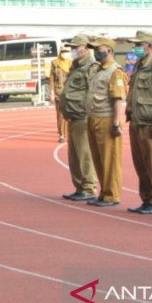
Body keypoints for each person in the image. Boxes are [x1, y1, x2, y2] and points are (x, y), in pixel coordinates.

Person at [125, 31, 152, 215]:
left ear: (148, 46)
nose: (135, 48)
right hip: (136, 121)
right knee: (141, 164)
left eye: (139, 44)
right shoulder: (139, 65)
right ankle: (146, 199)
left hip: (150, 122)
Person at [84, 36, 127, 207]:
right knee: (98, 158)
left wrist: (116, 123)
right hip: (94, 116)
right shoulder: (98, 70)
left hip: (107, 118)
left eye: (98, 49)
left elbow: (118, 99)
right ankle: (103, 192)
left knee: (110, 159)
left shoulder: (115, 72)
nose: (95, 52)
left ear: (109, 50)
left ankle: (112, 195)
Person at [58, 35, 98, 201]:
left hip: (82, 115)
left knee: (84, 154)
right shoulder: (75, 66)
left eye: (76, 47)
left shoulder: (91, 67)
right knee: (74, 156)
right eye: (72, 47)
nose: (73, 51)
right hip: (72, 115)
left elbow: (93, 91)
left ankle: (88, 187)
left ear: (86, 49)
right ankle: (79, 186)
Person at [49, 46, 71, 143]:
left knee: (69, 114)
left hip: (69, 92)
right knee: (60, 115)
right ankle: (62, 134)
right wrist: (52, 93)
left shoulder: (71, 63)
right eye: (63, 52)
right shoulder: (55, 63)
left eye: (67, 52)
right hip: (58, 92)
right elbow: (52, 79)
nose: (65, 53)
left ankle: (67, 133)